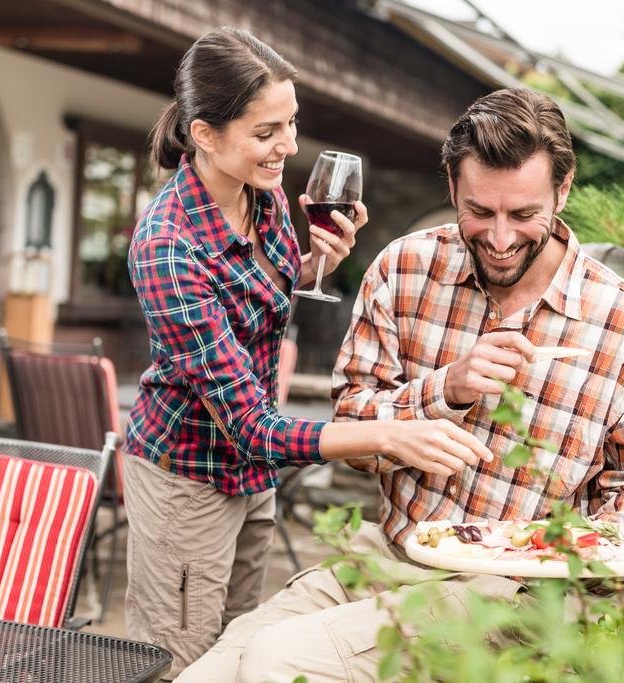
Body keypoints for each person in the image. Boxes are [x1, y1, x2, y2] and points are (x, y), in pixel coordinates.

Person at [177, 87, 624, 682]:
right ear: (451, 189)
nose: (500, 239)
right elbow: (350, 427)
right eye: (480, 212)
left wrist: (580, 553)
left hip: (518, 595)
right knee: (207, 675)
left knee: (278, 664)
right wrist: (444, 389)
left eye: (524, 215)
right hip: (388, 558)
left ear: (564, 190)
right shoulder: (403, 269)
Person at [123, 27, 493, 679]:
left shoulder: (258, 196)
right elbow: (251, 425)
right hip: (186, 480)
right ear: (204, 134)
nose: (288, 147)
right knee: (176, 663)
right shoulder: (167, 247)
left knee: (235, 648)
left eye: (292, 124)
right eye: (267, 132)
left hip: (249, 475)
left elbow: (248, 294)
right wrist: (387, 432)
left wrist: (309, 263)